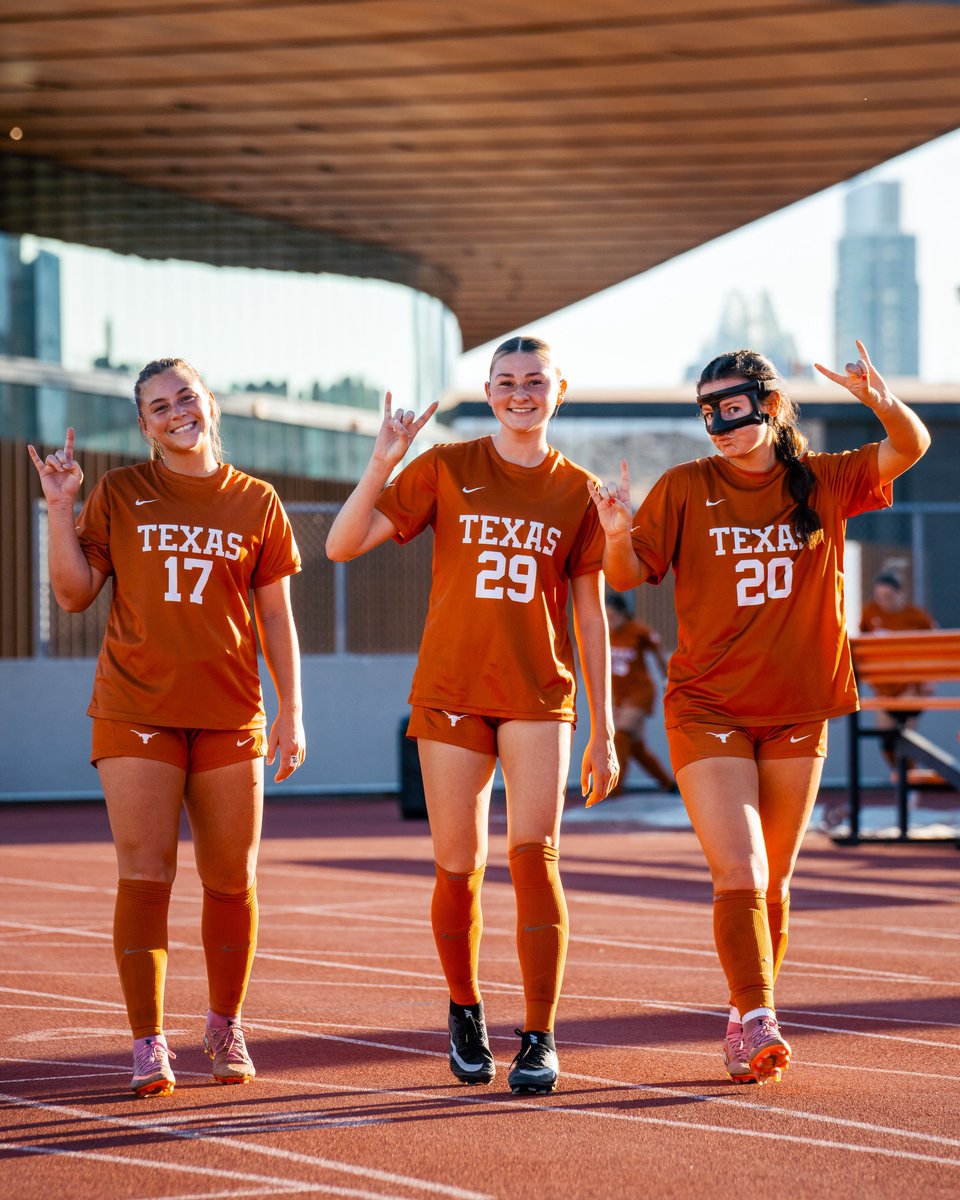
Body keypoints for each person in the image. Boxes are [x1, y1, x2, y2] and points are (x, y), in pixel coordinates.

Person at [591, 340, 929, 1085]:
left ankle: (749, 1006)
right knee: (739, 868)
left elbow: (911, 445)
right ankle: (755, 1020)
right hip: (708, 705)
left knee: (773, 882)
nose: (719, 422)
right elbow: (626, 571)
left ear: (770, 406)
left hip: (796, 709)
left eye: (732, 407)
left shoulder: (825, 479)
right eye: (707, 410)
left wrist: (879, 397)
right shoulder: (684, 486)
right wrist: (616, 532)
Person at [325, 335, 617, 1094]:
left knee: (535, 859)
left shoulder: (577, 489)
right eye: (507, 381)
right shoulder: (447, 466)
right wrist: (384, 458)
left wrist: (605, 731)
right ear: (488, 392)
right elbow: (341, 544)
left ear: (560, 390)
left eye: (535, 381)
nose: (521, 393)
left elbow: (590, 618)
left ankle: (542, 1035)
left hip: (538, 695)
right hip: (453, 690)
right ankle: (464, 1010)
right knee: (459, 865)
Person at [28, 358, 305, 1098]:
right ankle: (148, 1042)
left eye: (186, 396)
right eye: (158, 405)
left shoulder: (258, 500)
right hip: (136, 709)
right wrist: (60, 506)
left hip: (230, 713)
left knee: (232, 882)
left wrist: (292, 712)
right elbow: (75, 592)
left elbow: (275, 615)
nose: (176, 411)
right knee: (146, 876)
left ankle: (224, 1023)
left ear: (210, 403)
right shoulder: (120, 492)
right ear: (144, 425)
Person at [859, 571, 937, 771]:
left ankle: (910, 782)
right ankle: (903, 780)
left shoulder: (916, 616)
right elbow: (861, 645)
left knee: (905, 740)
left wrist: (928, 680)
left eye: (889, 596)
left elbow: (934, 647)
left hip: (910, 687)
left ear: (900, 594)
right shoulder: (870, 612)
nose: (884, 602)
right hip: (884, 688)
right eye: (879, 597)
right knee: (886, 742)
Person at [605, 593, 676, 793]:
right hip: (620, 694)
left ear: (623, 614)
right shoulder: (604, 632)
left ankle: (613, 787)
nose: (610, 621)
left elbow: (659, 653)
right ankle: (667, 783)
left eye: (613, 616)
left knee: (620, 733)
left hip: (640, 692)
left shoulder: (637, 630)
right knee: (634, 745)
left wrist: (667, 680)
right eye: (606, 616)